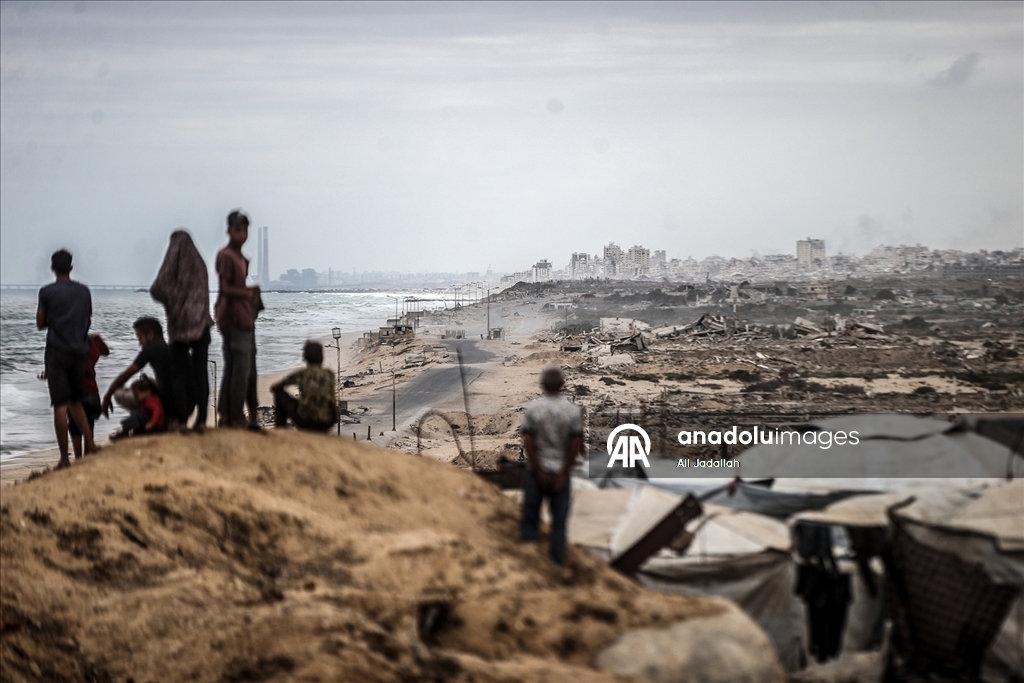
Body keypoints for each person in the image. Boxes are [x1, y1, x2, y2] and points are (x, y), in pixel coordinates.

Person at [36, 249, 101, 468]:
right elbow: (87, 320)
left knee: (60, 405)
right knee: (76, 400)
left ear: (52, 268)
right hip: (79, 350)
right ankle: (90, 444)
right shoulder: (84, 291)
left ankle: (65, 458)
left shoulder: (46, 292)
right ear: (71, 267)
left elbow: (40, 322)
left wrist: (55, 321)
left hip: (57, 350)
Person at [150, 230, 214, 432]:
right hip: (202, 325)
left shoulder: (174, 265)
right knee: (201, 372)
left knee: (178, 375)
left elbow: (158, 287)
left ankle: (181, 420)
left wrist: (172, 307)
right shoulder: (201, 266)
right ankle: (202, 420)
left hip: (180, 326)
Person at [519, 366, 583, 565]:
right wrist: (564, 472)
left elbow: (528, 441)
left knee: (530, 518)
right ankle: (557, 564)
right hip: (561, 473)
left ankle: (530, 562)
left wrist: (538, 469)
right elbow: (575, 444)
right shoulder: (572, 411)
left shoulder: (533, 409)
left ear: (542, 385)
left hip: (537, 472)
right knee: (559, 523)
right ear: (563, 385)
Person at [215, 210, 260, 429]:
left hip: (242, 318)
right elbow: (224, 288)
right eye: (237, 230)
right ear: (229, 231)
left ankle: (225, 414)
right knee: (240, 368)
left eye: (244, 230)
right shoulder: (226, 255)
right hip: (232, 318)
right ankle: (235, 416)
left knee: (234, 367)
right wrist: (248, 294)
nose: (242, 234)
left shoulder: (240, 258)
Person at [101, 317, 175, 423]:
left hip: (168, 406)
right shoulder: (170, 349)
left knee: (118, 393)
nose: (139, 343)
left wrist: (107, 397)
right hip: (185, 406)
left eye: (140, 338)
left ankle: (145, 419)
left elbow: (126, 375)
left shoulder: (151, 349)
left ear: (150, 335)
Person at [270, 341, 339, 432]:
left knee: (279, 394)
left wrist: (299, 400)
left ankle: (280, 429)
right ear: (321, 357)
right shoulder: (329, 374)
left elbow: (275, 388)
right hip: (328, 421)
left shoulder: (301, 374)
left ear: (305, 357)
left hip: (307, 422)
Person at [68, 332, 109, 458]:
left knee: (75, 425)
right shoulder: (94, 340)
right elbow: (105, 351)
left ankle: (78, 457)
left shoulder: (69, 342)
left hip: (75, 389)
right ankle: (88, 454)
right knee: (89, 422)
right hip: (92, 389)